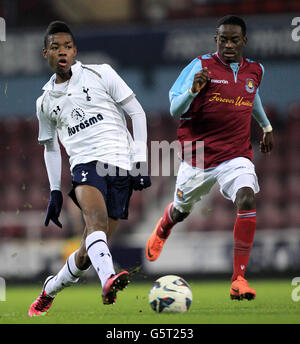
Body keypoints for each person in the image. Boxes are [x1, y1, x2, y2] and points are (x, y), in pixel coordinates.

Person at [146, 15, 274, 301]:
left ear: (244, 41)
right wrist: (193, 90)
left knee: (246, 198)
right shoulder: (199, 66)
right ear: (216, 40)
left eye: (234, 39)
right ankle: (165, 226)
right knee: (181, 209)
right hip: (198, 158)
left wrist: (266, 126)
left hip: (236, 155)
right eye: (223, 39)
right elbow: (174, 110)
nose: (228, 44)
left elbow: (253, 96)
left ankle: (238, 279)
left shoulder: (256, 70)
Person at [28, 21, 151, 317]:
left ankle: (50, 289)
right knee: (94, 223)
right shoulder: (45, 102)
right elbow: (51, 147)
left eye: (67, 47)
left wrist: (141, 161)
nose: (62, 52)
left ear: (75, 51)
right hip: (86, 165)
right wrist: (55, 191)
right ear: (46, 53)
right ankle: (108, 278)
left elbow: (137, 112)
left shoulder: (102, 73)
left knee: (87, 251)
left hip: (120, 166)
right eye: (55, 47)